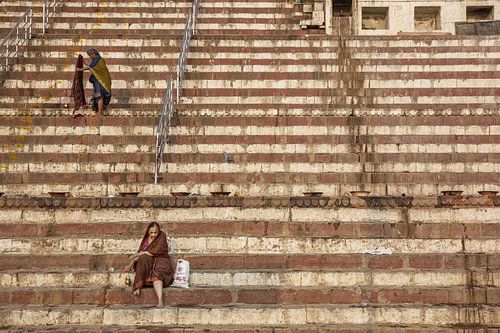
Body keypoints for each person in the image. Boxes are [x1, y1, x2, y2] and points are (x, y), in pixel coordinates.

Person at [125, 222, 174, 307]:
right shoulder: (146, 240)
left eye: (155, 232)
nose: (153, 234)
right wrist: (130, 265)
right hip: (149, 260)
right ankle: (138, 285)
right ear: (148, 231)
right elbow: (141, 255)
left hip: (161, 259)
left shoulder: (162, 236)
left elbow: (157, 251)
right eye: (151, 233)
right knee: (143, 258)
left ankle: (160, 301)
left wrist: (139, 254)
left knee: (157, 275)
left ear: (158, 231)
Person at [77, 48, 112, 115]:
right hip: (104, 80)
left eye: (90, 55)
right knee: (100, 96)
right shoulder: (99, 59)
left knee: (99, 96)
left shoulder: (97, 58)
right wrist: (85, 63)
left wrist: (80, 69)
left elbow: (91, 66)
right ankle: (100, 111)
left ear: (94, 54)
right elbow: (92, 66)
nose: (90, 57)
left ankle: (99, 112)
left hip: (101, 81)